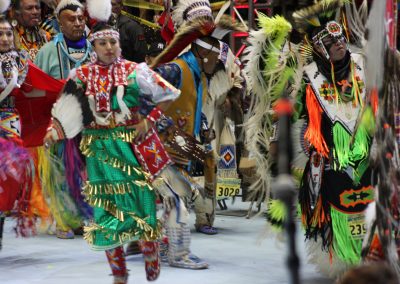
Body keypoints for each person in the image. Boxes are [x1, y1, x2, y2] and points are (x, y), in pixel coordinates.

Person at [44, 21, 180, 283]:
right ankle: (119, 273)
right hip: (98, 152)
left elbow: (169, 93)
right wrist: (53, 131)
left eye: (113, 42)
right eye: (102, 43)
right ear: (92, 45)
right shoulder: (80, 75)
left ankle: (151, 254)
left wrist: (148, 121)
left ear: (119, 44)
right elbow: (65, 107)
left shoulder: (135, 71)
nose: (109, 48)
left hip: (130, 148)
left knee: (142, 208)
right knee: (105, 213)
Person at [291, 2, 375, 276]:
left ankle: (370, 260)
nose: (339, 44)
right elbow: (300, 118)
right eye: (331, 41)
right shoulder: (309, 78)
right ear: (319, 47)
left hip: (366, 154)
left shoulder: (363, 65)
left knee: (369, 208)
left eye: (340, 39)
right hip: (330, 160)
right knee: (335, 209)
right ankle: (343, 265)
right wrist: (308, 141)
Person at [35, 0, 90, 79]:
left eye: (80, 19)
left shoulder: (93, 49)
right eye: (72, 19)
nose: (78, 24)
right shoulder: (47, 51)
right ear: (61, 24)